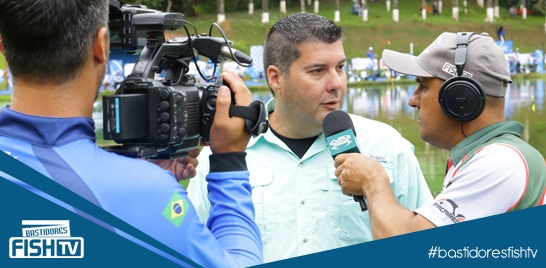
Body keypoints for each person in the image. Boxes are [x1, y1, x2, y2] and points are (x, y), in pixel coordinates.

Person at [0, 1, 262, 267]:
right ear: (101, 46)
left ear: (2, 45)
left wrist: (125, 171)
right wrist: (229, 162)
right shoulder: (147, 193)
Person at [187, 13, 433, 263]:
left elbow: (429, 249)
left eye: (340, 67)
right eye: (318, 71)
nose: (336, 83)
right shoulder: (221, 157)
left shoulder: (388, 146)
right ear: (275, 78)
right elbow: (192, 251)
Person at [335, 32, 546, 239]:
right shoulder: (488, 157)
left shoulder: (501, 162)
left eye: (423, 86)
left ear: (460, 99)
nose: (412, 100)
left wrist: (372, 181)